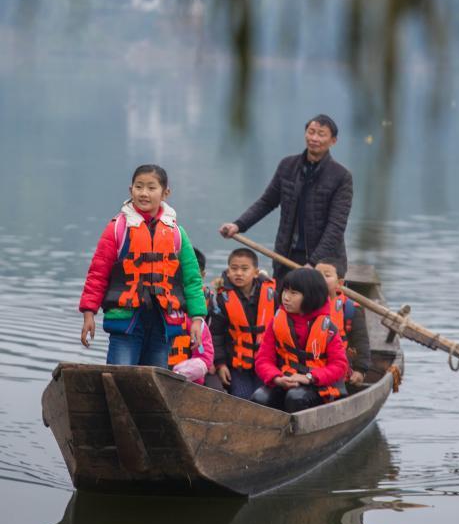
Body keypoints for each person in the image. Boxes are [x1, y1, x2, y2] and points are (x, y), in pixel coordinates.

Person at [79, 164, 207, 368]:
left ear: (165, 193)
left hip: (161, 322)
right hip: (126, 321)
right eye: (139, 187)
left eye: (151, 188)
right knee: (120, 377)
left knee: (153, 381)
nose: (144, 193)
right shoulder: (117, 229)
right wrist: (89, 313)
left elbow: (192, 279)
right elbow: (97, 273)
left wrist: (197, 318)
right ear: (131, 191)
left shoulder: (176, 233)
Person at [219, 115, 353, 284]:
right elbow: (267, 202)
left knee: (318, 308)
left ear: (333, 141)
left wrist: (313, 263)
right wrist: (238, 225)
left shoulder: (341, 176)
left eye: (321, 134)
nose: (314, 138)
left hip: (324, 264)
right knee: (284, 304)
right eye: (311, 132)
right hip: (286, 257)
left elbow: (336, 225)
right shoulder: (288, 166)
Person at [252, 268, 348, 412]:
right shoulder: (276, 323)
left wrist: (309, 377)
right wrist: (276, 378)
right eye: (285, 291)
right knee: (259, 398)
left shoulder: (328, 328)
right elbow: (263, 359)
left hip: (318, 385)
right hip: (285, 380)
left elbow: (340, 366)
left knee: (296, 397)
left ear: (310, 296)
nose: (286, 297)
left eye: (293, 293)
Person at [210, 247, 277, 400]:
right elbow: (216, 334)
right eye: (234, 269)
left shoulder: (272, 295)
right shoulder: (221, 299)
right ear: (228, 271)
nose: (238, 273)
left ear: (255, 272)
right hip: (237, 365)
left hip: (267, 361)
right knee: (242, 397)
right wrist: (220, 364)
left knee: (264, 399)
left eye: (244, 269)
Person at [315, 258, 371, 385]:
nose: (321, 279)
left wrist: (360, 370)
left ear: (339, 283)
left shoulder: (350, 310)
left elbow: (361, 342)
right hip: (310, 369)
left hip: (338, 371)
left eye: (327, 275)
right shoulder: (304, 305)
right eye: (317, 275)